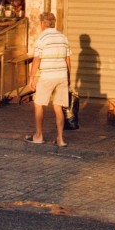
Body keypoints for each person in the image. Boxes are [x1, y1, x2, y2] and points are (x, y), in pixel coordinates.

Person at [25, 12, 71, 148]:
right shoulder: (63, 37)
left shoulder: (42, 38)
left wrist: (31, 78)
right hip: (62, 75)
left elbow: (36, 60)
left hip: (47, 76)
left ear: (42, 24)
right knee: (58, 107)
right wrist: (69, 78)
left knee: (39, 104)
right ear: (54, 23)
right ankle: (61, 139)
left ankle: (38, 136)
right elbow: (68, 60)